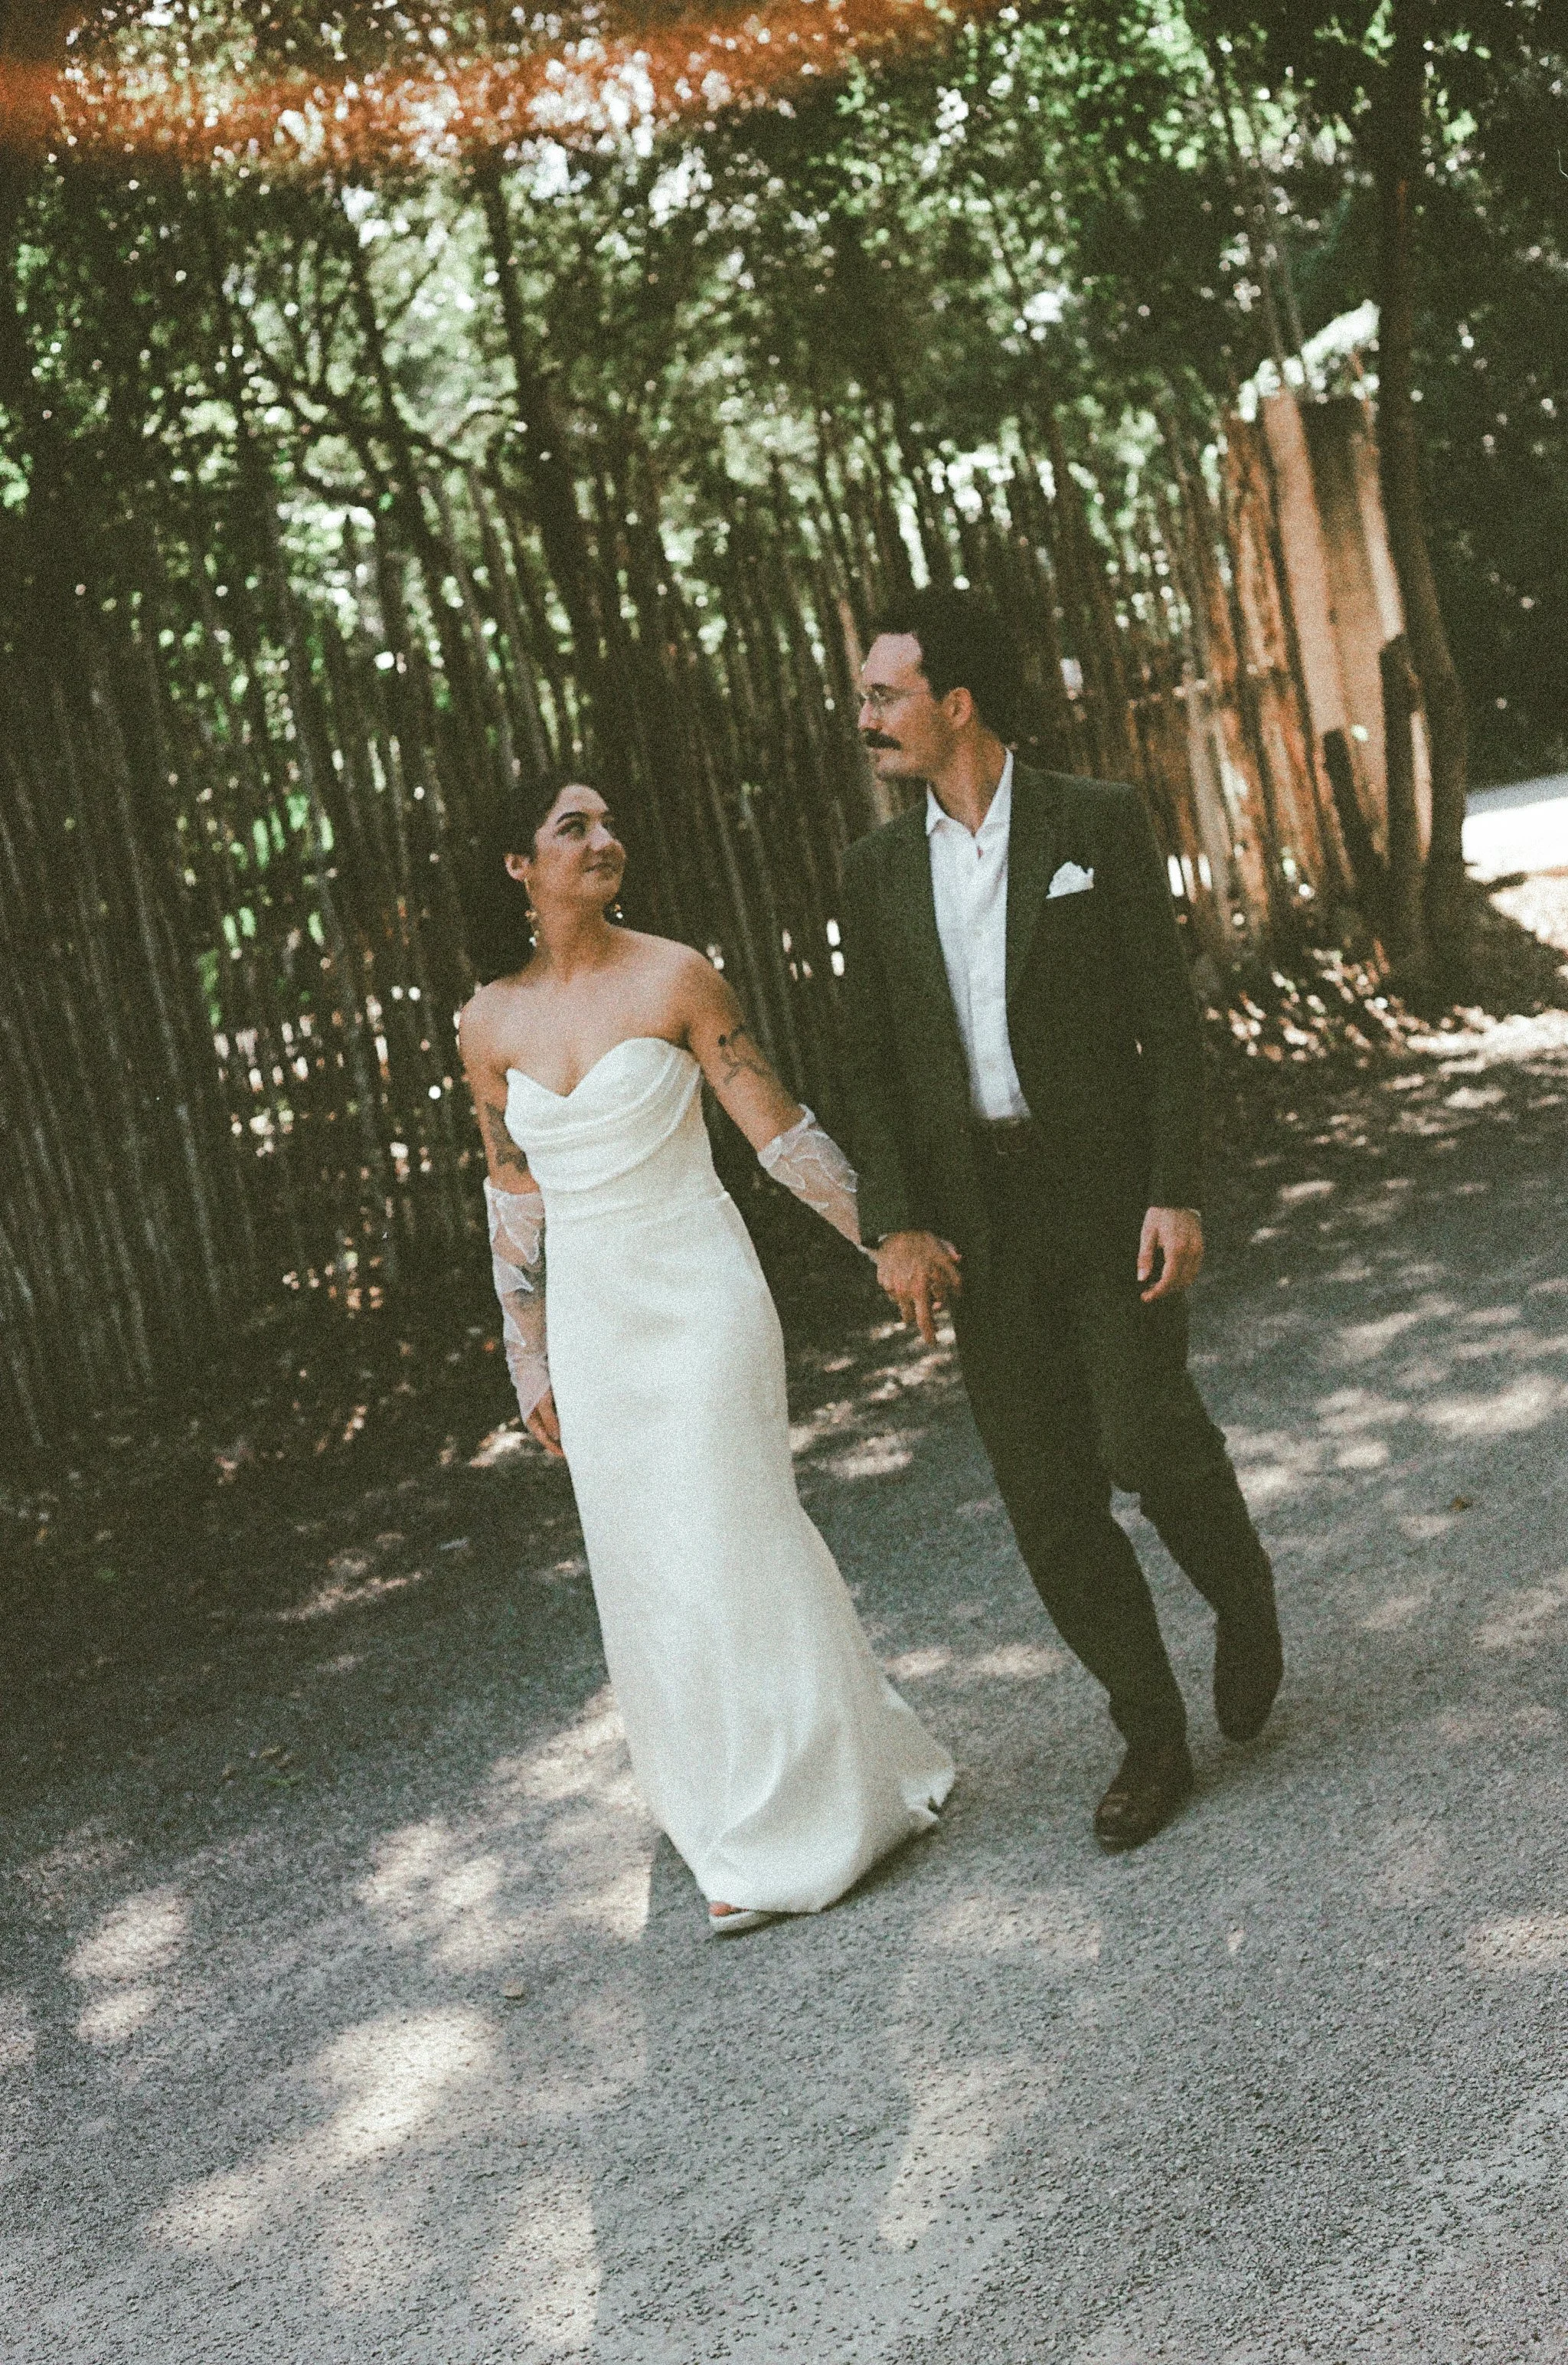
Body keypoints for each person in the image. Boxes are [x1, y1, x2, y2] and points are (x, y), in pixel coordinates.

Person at [458, 772, 954, 1936]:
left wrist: (888, 1239)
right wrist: (528, 1364)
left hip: (702, 1292)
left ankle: (813, 1819)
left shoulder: (677, 975)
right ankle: (721, 1813)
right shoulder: (488, 1023)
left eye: (608, 821)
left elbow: (778, 1133)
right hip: (594, 1323)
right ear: (518, 867)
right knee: (649, 1568)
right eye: (569, 828)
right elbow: (511, 1202)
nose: (603, 840)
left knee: (737, 1529)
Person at [836, 589, 1283, 1853]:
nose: (866, 718)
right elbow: (868, 1067)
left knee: (1142, 1432)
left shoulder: (1096, 821)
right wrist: (897, 1226)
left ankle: (1242, 1596)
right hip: (977, 1223)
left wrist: (1177, 1188)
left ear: (956, 702)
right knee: (1045, 1492)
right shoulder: (872, 874)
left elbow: (1169, 1021)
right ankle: (1149, 1731)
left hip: (1101, 1194)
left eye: (885, 695)